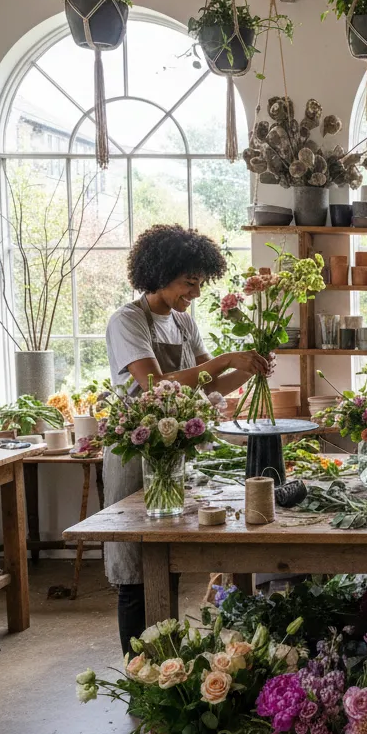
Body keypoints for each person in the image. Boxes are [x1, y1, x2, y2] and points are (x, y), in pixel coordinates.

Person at [104, 225, 271, 654]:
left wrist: (247, 369)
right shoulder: (127, 320)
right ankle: (137, 670)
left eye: (199, 283)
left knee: (167, 559)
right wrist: (225, 359)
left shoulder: (183, 322)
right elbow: (156, 385)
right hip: (135, 450)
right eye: (188, 283)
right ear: (160, 275)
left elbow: (208, 387)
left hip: (175, 452)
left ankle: (166, 664)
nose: (194, 293)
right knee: (134, 566)